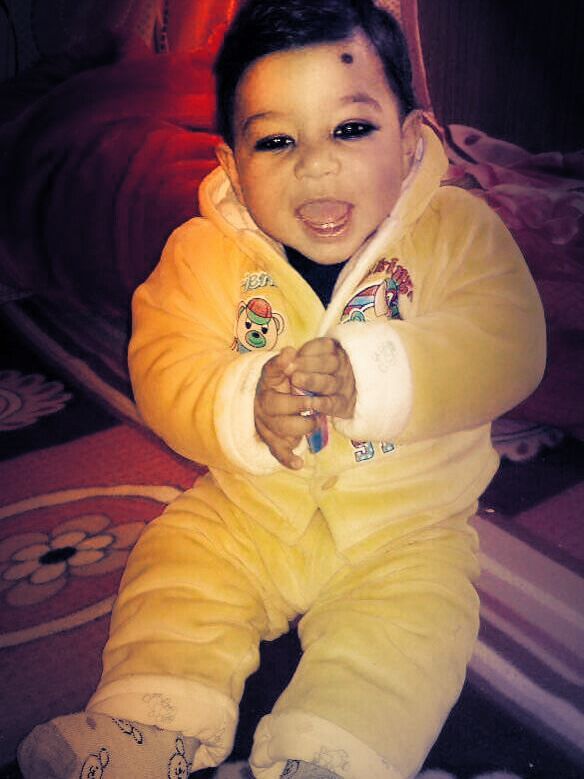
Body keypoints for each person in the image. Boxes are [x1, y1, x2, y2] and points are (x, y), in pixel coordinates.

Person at [18, 1, 546, 778]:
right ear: (232, 163)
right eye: (275, 140)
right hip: (249, 506)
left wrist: (380, 372)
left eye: (351, 129)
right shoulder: (202, 251)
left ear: (409, 142)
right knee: (178, 568)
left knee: (412, 633)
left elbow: (508, 343)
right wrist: (240, 404)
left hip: (407, 526)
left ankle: (329, 755)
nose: (316, 165)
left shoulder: (457, 232)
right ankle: (150, 722)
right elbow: (163, 360)